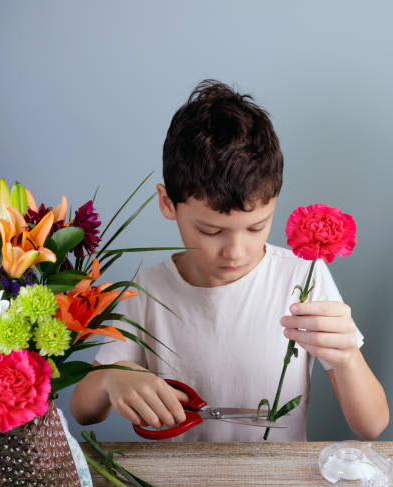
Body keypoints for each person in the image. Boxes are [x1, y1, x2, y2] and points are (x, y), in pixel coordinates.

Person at [70, 80, 389, 441]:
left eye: (256, 227)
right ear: (167, 203)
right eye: (210, 231)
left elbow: (372, 424)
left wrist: (347, 356)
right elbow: (83, 411)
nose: (235, 251)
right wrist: (114, 377)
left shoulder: (303, 277)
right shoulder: (147, 289)